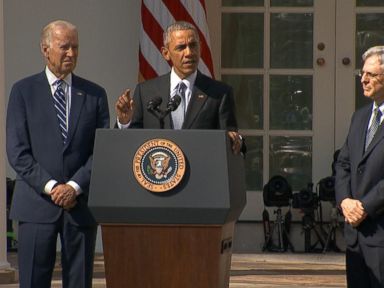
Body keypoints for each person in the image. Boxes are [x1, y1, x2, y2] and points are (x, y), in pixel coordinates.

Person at [6, 20, 110, 288]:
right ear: (45, 49)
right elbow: (18, 152)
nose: (71, 54)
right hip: (36, 205)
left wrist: (74, 187)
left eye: (75, 47)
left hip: (79, 206)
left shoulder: (95, 94)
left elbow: (102, 150)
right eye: (64, 47)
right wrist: (53, 188)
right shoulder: (23, 92)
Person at [115, 21, 244, 154]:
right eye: (181, 47)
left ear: (201, 48)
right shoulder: (146, 91)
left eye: (193, 45)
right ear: (166, 53)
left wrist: (236, 140)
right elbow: (131, 141)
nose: (189, 53)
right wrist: (124, 122)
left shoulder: (219, 93)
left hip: (202, 171)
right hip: (157, 171)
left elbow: (231, 140)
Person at [335, 46, 384, 287]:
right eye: (362, 73)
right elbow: (343, 163)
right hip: (355, 237)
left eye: (371, 75)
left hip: (380, 232)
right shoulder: (360, 116)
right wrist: (345, 201)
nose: (363, 79)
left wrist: (365, 206)